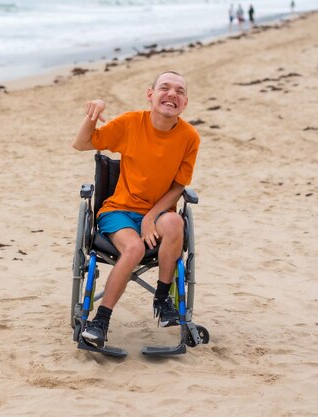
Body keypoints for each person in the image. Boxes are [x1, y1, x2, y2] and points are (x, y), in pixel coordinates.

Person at [71, 71, 200, 347]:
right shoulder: (131, 123)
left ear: (185, 103)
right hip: (119, 211)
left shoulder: (189, 137)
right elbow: (81, 143)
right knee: (134, 248)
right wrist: (93, 114)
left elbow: (178, 186)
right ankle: (100, 321)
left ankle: (163, 299)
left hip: (157, 212)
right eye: (164, 88)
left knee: (176, 224)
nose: (171, 94)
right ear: (150, 94)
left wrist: (151, 217)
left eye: (179, 91)